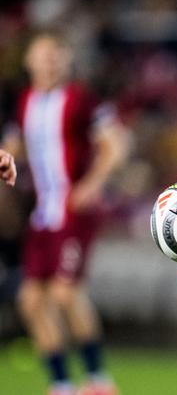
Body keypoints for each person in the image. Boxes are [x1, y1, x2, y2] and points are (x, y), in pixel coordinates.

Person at [3, 32, 128, 395]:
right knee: (30, 300)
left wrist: (93, 183)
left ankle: (99, 381)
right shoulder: (24, 101)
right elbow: (14, 145)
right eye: (43, 55)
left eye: (57, 55)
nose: (50, 62)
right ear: (29, 61)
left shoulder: (82, 100)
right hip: (44, 214)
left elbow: (116, 144)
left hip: (75, 210)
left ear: (67, 60)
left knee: (64, 292)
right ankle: (61, 384)